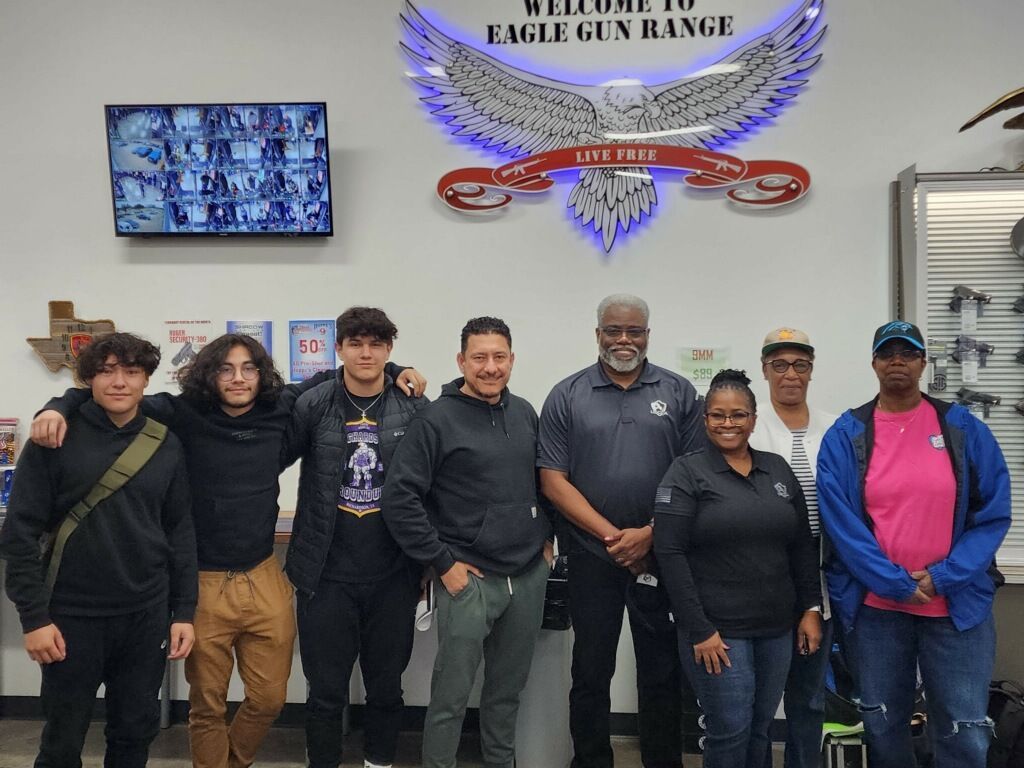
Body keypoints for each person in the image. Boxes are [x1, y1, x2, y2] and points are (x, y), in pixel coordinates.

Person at [29, 334, 426, 768]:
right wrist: (57, 405)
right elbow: (115, 395)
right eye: (226, 368)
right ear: (209, 374)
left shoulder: (281, 407)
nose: (238, 378)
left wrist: (393, 370)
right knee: (207, 705)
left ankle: (234, 761)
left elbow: (345, 373)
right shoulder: (183, 413)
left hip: (263, 575)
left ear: (261, 374)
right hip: (203, 580)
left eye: (248, 368)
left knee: (270, 697)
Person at [817, 321, 1011, 768]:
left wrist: (943, 576)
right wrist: (894, 583)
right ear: (874, 363)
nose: (898, 361)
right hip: (878, 613)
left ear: (923, 362)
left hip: (956, 609)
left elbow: (992, 514)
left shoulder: (963, 429)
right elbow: (841, 524)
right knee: (883, 724)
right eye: (888, 353)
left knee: (964, 727)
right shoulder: (847, 435)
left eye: (908, 353)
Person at [0, 332, 198, 768]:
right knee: (61, 741)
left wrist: (183, 610)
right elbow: (19, 534)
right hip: (70, 617)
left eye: (131, 371)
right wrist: (34, 619)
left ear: (147, 379)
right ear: (89, 377)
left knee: (133, 734)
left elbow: (180, 530)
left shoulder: (166, 443)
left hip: (145, 615)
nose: (119, 382)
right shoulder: (54, 438)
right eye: (106, 371)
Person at [536, 293, 704, 768]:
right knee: (591, 669)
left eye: (634, 331)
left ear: (648, 335)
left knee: (661, 669)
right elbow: (552, 480)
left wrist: (650, 534)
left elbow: (695, 479)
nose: (624, 340)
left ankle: (662, 761)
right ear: (598, 335)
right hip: (592, 556)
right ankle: (590, 760)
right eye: (614, 330)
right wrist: (615, 538)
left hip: (662, 555)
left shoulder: (678, 392)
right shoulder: (567, 394)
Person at [382, 316, 553, 768]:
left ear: (512, 360)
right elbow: (399, 498)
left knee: (506, 694)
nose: (490, 367)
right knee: (450, 698)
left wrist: (547, 538)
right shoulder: (435, 419)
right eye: (480, 357)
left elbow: (545, 481)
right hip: (468, 578)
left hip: (528, 576)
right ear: (461, 361)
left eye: (499, 357)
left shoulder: (524, 412)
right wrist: (442, 563)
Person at [281, 308, 428, 768]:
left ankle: (379, 763)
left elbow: (434, 484)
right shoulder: (315, 403)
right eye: (356, 343)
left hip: (393, 574)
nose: (366, 353)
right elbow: (267, 458)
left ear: (389, 350)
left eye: (376, 344)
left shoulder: (413, 406)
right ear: (339, 348)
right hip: (324, 575)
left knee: (387, 689)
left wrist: (428, 559)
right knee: (325, 692)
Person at [654, 369, 821, 768]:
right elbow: (669, 552)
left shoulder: (778, 469)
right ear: (705, 419)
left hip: (776, 629)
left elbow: (801, 544)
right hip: (718, 631)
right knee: (729, 728)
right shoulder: (686, 472)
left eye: (738, 415)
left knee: (761, 726)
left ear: (753, 419)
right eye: (718, 415)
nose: (728, 424)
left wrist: (811, 608)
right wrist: (699, 629)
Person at [748, 328, 835, 768]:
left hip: (821, 580)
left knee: (808, 699)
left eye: (800, 364)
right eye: (779, 364)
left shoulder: (835, 428)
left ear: (811, 371)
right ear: (765, 370)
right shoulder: (748, 424)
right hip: (761, 581)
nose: (790, 374)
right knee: (758, 707)